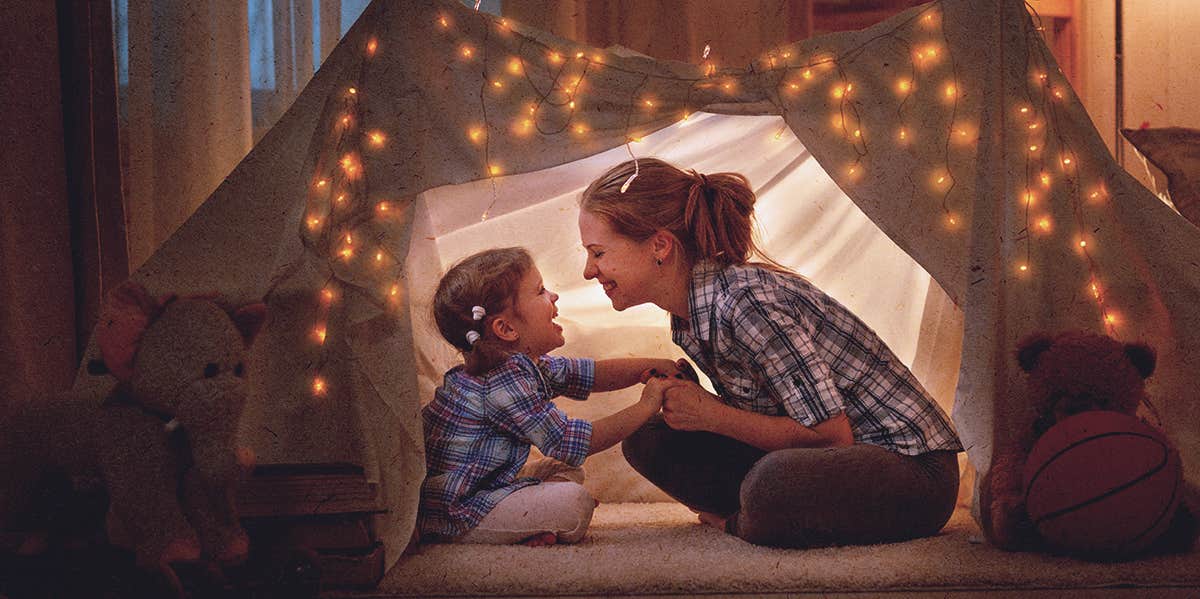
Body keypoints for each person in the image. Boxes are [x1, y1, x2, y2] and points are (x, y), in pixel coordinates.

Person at [577, 158, 963, 548]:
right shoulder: (690, 315)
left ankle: (743, 522)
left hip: (912, 473)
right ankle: (763, 515)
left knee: (773, 484)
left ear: (659, 246)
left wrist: (712, 415)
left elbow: (831, 438)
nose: (588, 272)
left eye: (598, 253)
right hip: (826, 464)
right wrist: (699, 407)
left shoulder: (745, 303)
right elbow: (773, 415)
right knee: (648, 438)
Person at [419, 247, 687, 547]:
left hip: (486, 485)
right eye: (540, 291)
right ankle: (526, 523)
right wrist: (647, 405)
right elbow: (572, 442)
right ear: (506, 328)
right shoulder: (501, 381)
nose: (554, 296)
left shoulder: (520, 365)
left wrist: (652, 366)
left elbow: (591, 374)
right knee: (574, 504)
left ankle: (531, 523)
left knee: (565, 471)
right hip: (458, 510)